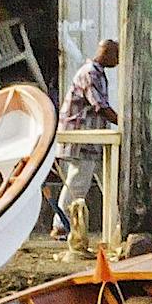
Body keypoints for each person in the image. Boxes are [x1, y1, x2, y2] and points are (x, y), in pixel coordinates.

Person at [57, 38, 119, 251]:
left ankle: (119, 225)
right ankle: (61, 225)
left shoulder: (98, 72)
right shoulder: (90, 73)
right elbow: (99, 106)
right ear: (108, 54)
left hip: (94, 138)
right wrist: (124, 122)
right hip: (81, 136)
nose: (119, 61)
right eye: (117, 56)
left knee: (110, 181)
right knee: (79, 181)